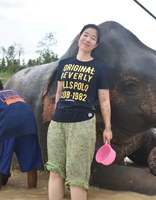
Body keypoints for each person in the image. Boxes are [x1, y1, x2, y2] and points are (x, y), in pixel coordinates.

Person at [45, 23, 113, 200]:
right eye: (85, 35)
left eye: (93, 38)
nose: (88, 39)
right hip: (58, 123)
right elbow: (59, 93)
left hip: (82, 123)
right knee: (55, 170)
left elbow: (105, 101)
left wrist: (108, 128)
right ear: (79, 38)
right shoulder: (64, 64)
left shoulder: (100, 68)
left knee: (77, 176)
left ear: (96, 45)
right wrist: (55, 117)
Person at [0, 77, 43, 191]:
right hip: (29, 126)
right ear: (2, 87)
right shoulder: (13, 92)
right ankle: (33, 193)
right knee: (31, 165)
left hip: (7, 128)